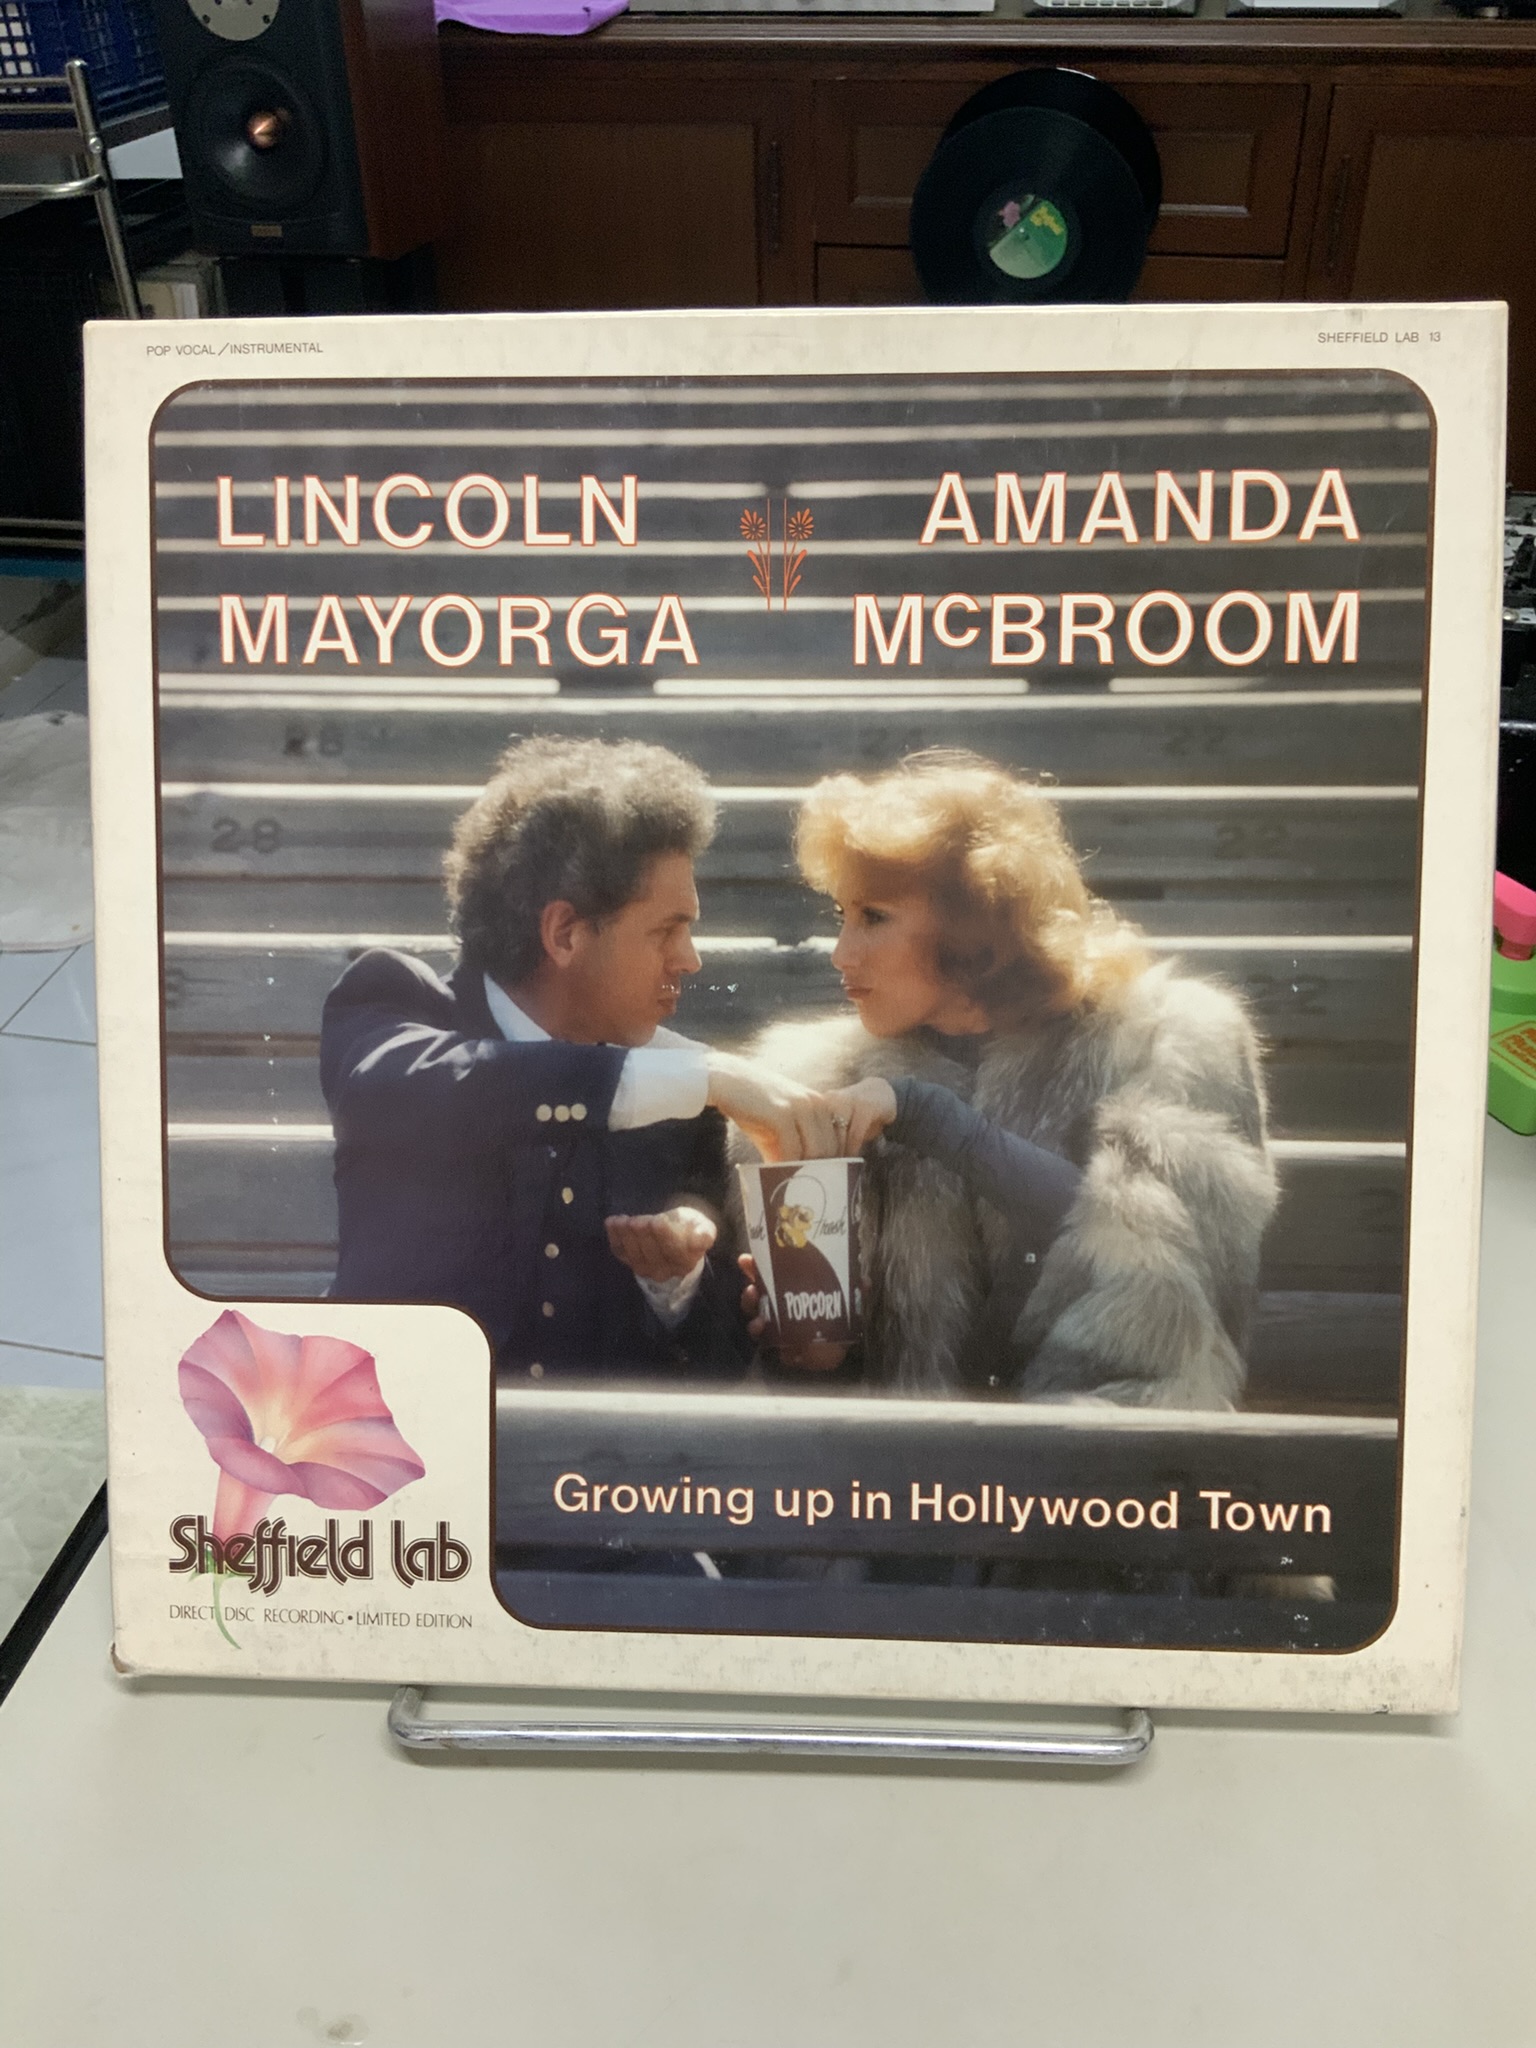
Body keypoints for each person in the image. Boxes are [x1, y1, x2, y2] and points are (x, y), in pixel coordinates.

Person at [739, 751, 1278, 1408]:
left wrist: (928, 1116)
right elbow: (830, 1396)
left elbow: (1158, 1290)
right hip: (911, 1464)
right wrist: (815, 1360)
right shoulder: (823, 1083)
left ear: (974, 927)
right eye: (840, 917)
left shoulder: (1160, 1049)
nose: (840, 954)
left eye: (873, 917)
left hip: (1108, 1454)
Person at [320, 736, 834, 1384]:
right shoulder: (398, 1001)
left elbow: (716, 1367)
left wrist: (674, 1285)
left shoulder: (678, 1097)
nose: (690, 959)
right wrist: (706, 1075)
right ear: (564, 933)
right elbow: (398, 1091)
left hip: (595, 1450)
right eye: (666, 930)